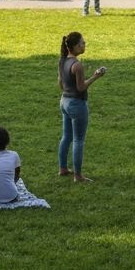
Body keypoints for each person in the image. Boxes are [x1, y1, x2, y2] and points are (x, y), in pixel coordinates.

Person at [58, 30, 106, 182]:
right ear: (76, 47)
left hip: (64, 101)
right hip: (77, 104)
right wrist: (95, 77)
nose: (84, 44)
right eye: (82, 43)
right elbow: (81, 87)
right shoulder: (77, 65)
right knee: (78, 140)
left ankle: (63, 168)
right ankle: (78, 175)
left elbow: (60, 82)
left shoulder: (63, 60)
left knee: (66, 136)